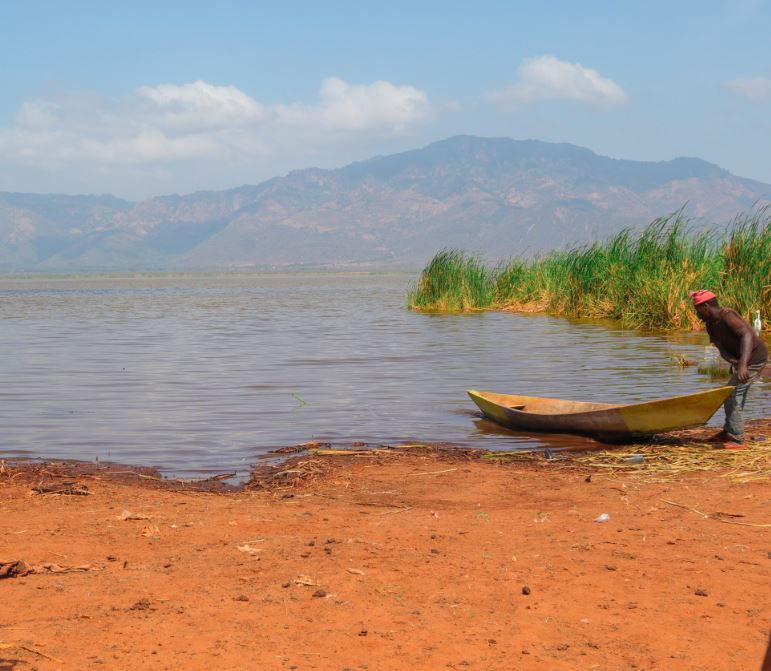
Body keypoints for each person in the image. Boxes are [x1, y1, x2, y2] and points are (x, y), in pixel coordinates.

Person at [689, 290, 768, 447]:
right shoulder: (710, 325)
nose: (698, 315)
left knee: (732, 396)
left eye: (698, 310)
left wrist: (743, 364)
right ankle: (729, 430)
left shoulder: (727, 316)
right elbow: (720, 347)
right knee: (731, 395)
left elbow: (746, 335)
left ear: (706, 306)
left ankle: (737, 438)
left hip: (755, 358)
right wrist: (735, 362)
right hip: (743, 360)